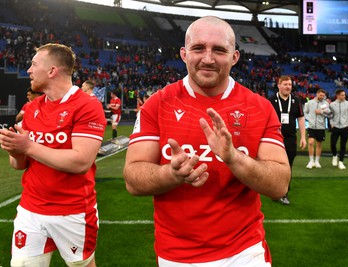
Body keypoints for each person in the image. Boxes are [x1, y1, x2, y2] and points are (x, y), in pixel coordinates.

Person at [123, 16, 290, 267]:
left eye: (219, 50)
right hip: (176, 254)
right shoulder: (158, 104)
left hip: (244, 252)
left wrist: (234, 158)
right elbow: (133, 179)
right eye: (198, 48)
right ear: (183, 53)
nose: (208, 58)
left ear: (234, 57)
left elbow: (280, 186)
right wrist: (172, 173)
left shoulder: (259, 108)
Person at [0, 43, 106, 267]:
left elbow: (80, 161)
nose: (28, 70)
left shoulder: (87, 106)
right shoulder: (31, 108)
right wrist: (15, 150)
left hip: (73, 211)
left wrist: (28, 147)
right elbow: (19, 164)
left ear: (52, 71)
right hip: (31, 209)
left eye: (33, 64)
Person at [268, 75, 306, 205]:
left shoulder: (296, 101)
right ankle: (274, 191)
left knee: (288, 166)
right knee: (273, 166)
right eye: (285, 84)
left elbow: (301, 119)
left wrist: (303, 137)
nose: (288, 87)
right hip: (274, 139)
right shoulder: (271, 101)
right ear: (278, 85)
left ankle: (284, 193)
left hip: (290, 139)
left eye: (289, 84)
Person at [303, 89, 332, 168]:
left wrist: (322, 112)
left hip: (321, 127)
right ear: (317, 94)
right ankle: (311, 161)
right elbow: (305, 112)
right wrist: (309, 118)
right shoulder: (310, 103)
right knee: (311, 142)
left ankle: (317, 161)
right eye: (321, 95)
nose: (322, 97)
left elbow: (330, 115)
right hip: (311, 126)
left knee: (319, 144)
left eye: (323, 96)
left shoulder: (326, 104)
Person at [329, 89, 348, 170]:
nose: (344, 96)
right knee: (333, 144)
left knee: (343, 145)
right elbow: (330, 115)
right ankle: (334, 156)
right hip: (335, 126)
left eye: (344, 95)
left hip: (345, 127)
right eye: (342, 95)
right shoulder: (332, 104)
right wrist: (332, 123)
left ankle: (341, 162)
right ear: (338, 95)